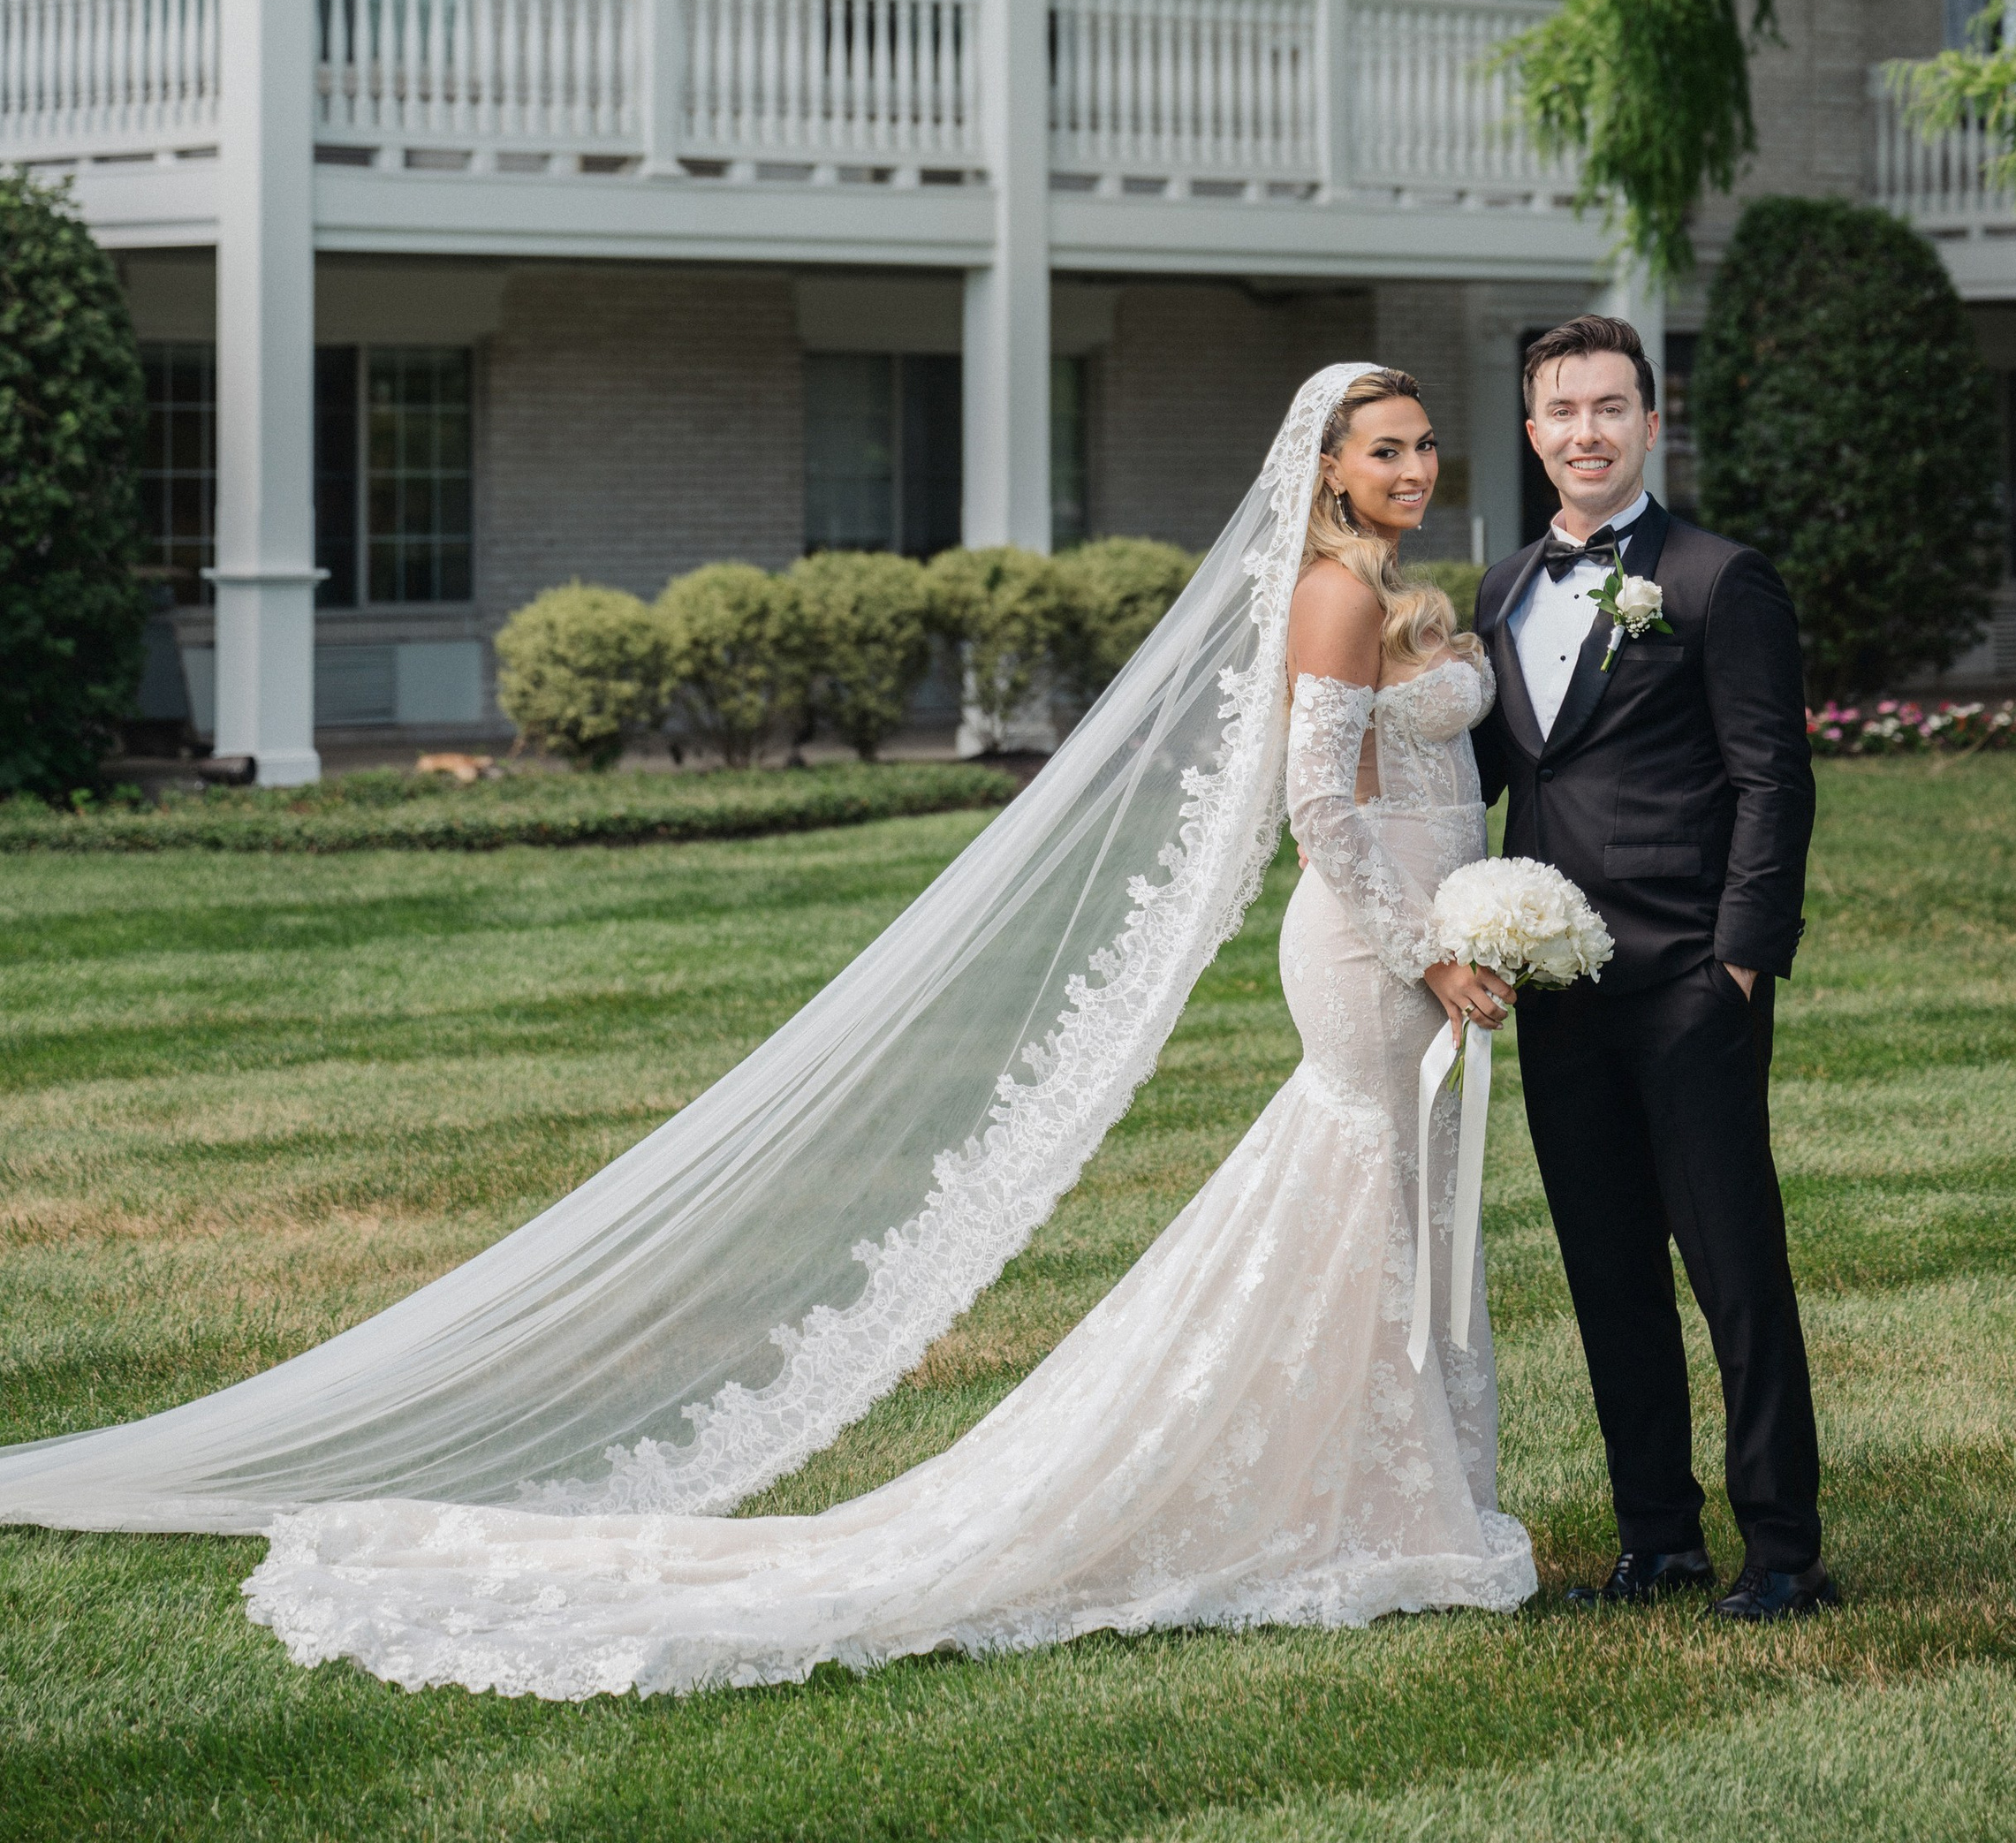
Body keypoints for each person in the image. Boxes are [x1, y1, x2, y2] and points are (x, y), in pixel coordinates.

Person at [0, 364, 1534, 1695]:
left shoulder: (1419, 588)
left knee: (1403, 1205)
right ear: (1325, 465)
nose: (1411, 468)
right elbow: (1318, 808)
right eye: (1382, 447)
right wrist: (1422, 950)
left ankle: (1391, 1486)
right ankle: (1368, 1501)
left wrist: (1480, 921)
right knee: (1366, 1198)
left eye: (1420, 446)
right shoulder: (1331, 593)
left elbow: (1438, 780)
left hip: (1441, 944)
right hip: (1365, 951)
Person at [1468, 311, 1833, 1622]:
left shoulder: (1717, 579)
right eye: (1562, 411)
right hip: (1559, 989)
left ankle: (1785, 1548)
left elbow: (1771, 784)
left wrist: (1738, 965)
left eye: (1610, 408)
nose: (1585, 432)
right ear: (1532, 431)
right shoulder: (1502, 590)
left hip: (1689, 979)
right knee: (1606, 1264)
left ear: (1650, 422)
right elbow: (1498, 779)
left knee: (1735, 1266)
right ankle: (1657, 1538)